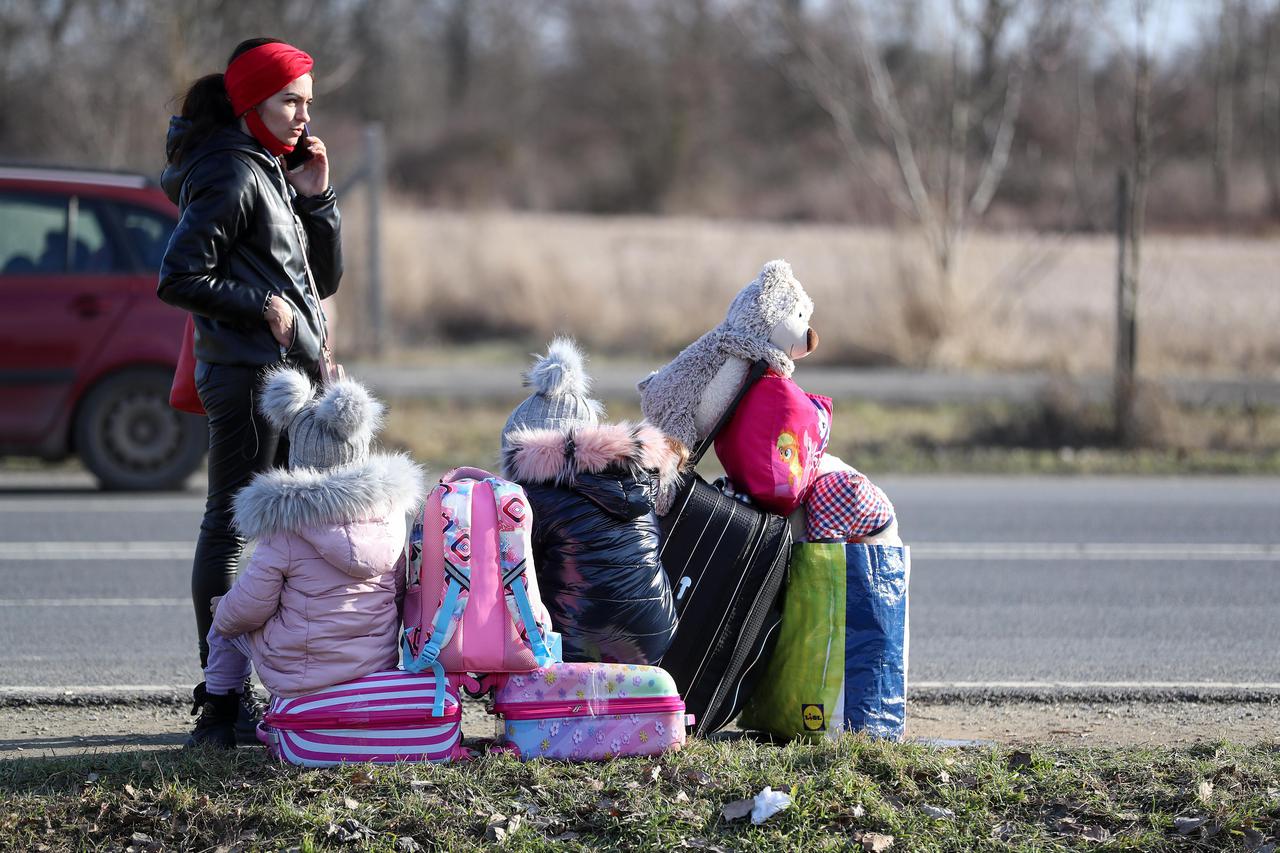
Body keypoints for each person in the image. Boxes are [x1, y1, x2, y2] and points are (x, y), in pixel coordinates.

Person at [157, 37, 344, 739]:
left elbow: (318, 282)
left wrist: (318, 198)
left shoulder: (267, 167)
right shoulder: (230, 172)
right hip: (245, 377)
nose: (302, 116)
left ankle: (252, 689)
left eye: (306, 103)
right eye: (289, 101)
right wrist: (259, 307)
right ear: (250, 103)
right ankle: (222, 701)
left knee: (275, 532)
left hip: (281, 377)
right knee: (232, 527)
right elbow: (178, 277)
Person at [188, 368, 425, 747]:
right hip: (375, 665)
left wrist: (223, 609)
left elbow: (250, 608)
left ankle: (219, 719)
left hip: (303, 675)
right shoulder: (392, 515)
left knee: (225, 627)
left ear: (297, 454)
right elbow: (399, 593)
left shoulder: (287, 525)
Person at [500, 338, 681, 665]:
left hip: (578, 639)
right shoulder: (638, 477)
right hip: (656, 632)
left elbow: (519, 580)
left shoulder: (534, 497)